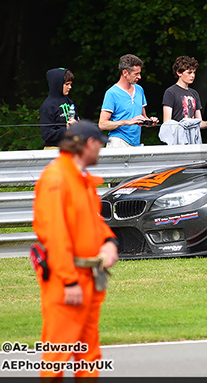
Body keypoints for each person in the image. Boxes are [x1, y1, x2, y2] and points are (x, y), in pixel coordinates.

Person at [31, 120, 119, 378]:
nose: (100, 152)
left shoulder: (80, 179)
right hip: (66, 278)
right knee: (57, 357)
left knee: (89, 356)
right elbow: (55, 234)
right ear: (89, 144)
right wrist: (69, 281)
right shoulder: (57, 179)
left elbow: (93, 219)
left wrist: (109, 242)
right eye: (99, 146)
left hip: (87, 277)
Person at [160, 55, 207, 144]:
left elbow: (199, 123)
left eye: (194, 72)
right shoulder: (170, 92)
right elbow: (167, 123)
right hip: (177, 141)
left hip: (194, 140)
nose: (192, 76)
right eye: (189, 73)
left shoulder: (194, 93)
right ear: (179, 73)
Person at [99, 54, 159, 146]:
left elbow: (143, 117)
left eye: (139, 73)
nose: (139, 77)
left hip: (136, 143)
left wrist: (150, 122)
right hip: (118, 141)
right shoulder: (112, 93)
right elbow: (102, 124)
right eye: (136, 74)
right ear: (125, 73)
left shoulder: (139, 89)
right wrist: (127, 122)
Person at [40, 67, 78, 149]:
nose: (70, 87)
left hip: (71, 147)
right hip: (54, 148)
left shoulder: (70, 102)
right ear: (57, 84)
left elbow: (77, 120)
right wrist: (66, 130)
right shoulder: (48, 105)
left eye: (71, 84)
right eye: (67, 84)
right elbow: (46, 134)